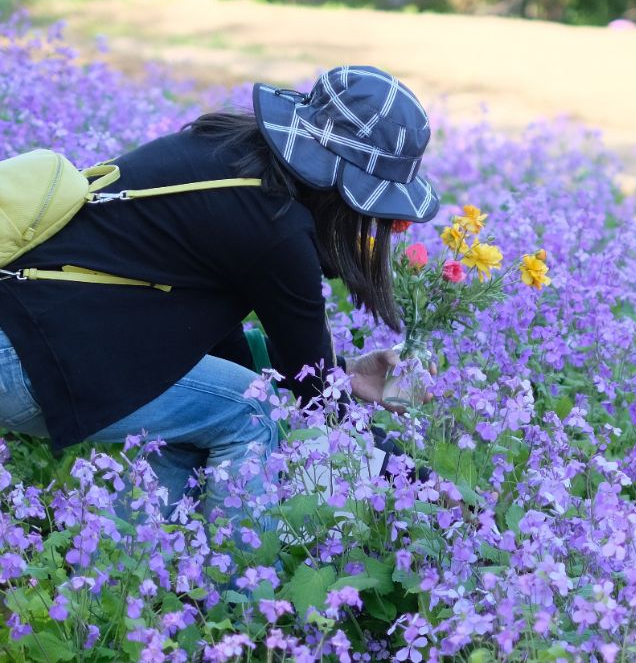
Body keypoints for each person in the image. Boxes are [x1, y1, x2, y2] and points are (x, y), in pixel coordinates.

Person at [0, 65, 439, 524]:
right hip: (28, 358)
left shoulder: (227, 155)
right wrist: (420, 481)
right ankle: (238, 591)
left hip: (22, 335)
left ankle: (132, 565)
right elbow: (318, 398)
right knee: (249, 410)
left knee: (206, 411)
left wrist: (347, 372)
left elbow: (222, 351)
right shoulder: (276, 229)